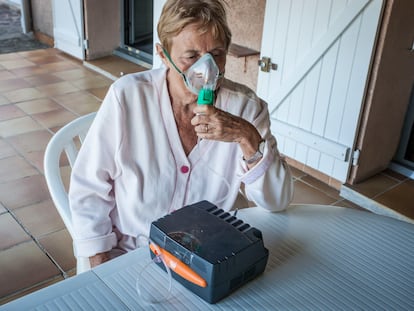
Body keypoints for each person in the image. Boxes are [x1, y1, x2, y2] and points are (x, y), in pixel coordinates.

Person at [68, 0, 293, 268]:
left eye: (217, 53)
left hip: (206, 258)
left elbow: (277, 201)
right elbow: (88, 188)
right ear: (163, 54)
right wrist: (100, 260)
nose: (207, 68)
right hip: (131, 253)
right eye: (191, 56)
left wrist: (245, 136)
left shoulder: (246, 107)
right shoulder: (128, 96)